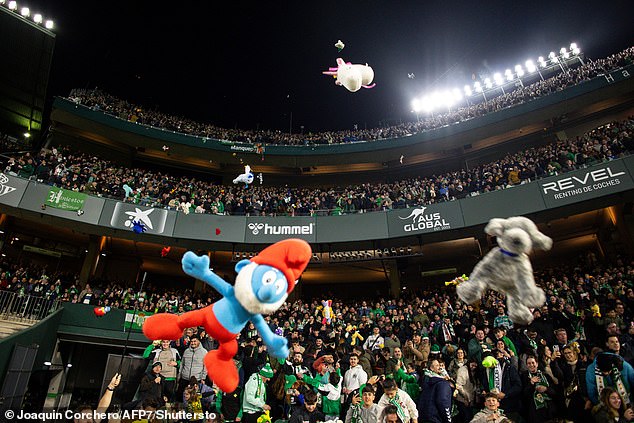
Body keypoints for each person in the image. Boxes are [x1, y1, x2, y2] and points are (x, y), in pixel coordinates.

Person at [521, 355, 557, 423]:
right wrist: (531, 383)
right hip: (534, 412)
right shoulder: (524, 376)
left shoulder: (545, 375)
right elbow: (524, 394)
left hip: (548, 410)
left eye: (533, 363)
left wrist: (546, 389)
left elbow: (554, 392)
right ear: (526, 365)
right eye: (529, 363)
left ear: (537, 364)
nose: (531, 365)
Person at [417, 357, 452, 423]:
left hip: (423, 417)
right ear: (431, 368)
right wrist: (448, 420)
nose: (440, 367)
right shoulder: (442, 383)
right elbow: (443, 402)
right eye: (437, 365)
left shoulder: (425, 380)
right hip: (435, 419)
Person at [179, 334, 208, 400]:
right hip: (184, 378)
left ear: (199, 342)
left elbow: (205, 366)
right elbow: (182, 364)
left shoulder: (204, 352)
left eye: (195, 341)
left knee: (194, 398)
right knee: (181, 397)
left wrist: (203, 378)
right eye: (191, 341)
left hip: (196, 379)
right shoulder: (186, 351)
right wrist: (179, 375)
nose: (193, 343)